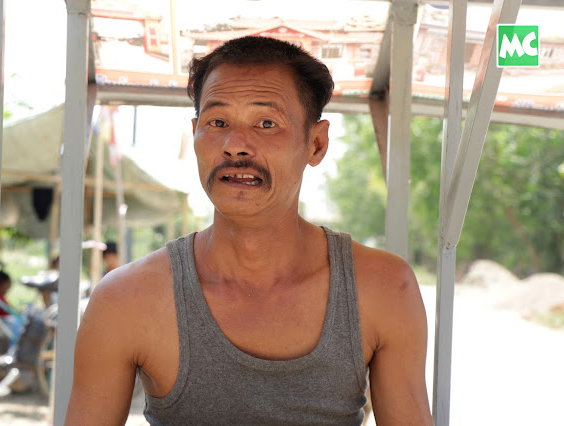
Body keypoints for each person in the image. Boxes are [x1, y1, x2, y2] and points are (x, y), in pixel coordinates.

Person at [66, 36, 432, 425]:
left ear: (316, 144)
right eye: (217, 122)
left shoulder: (383, 288)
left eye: (266, 123)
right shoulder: (126, 300)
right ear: (196, 133)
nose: (235, 145)